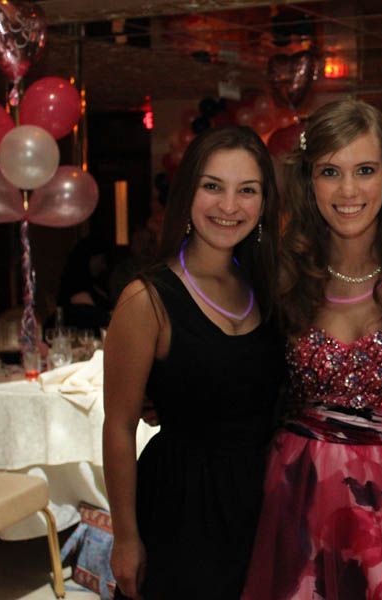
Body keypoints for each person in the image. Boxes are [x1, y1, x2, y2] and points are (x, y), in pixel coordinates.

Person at [242, 99, 382, 599]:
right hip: (301, 498)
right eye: (330, 172)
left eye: (365, 170)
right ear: (309, 182)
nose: (348, 190)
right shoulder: (285, 274)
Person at [103, 126, 285, 599]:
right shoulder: (146, 299)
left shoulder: (269, 288)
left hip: (261, 504)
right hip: (180, 508)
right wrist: (125, 537)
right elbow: (119, 426)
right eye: (213, 186)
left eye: (247, 190)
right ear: (187, 193)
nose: (229, 205)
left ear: (264, 203)